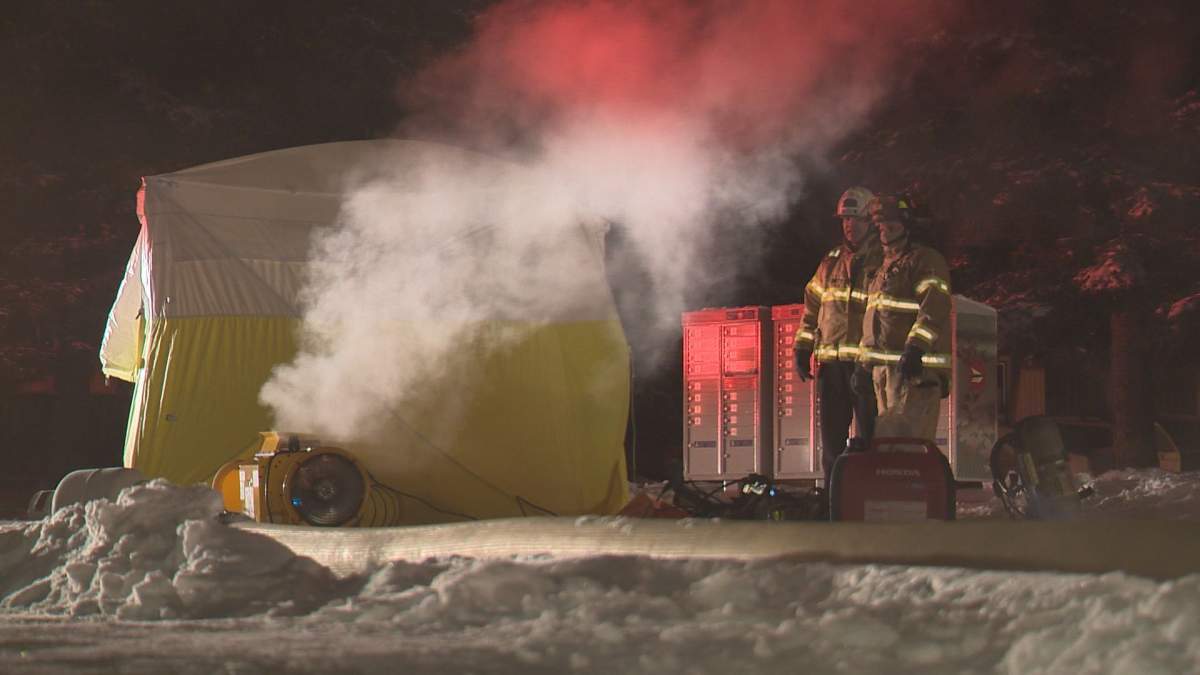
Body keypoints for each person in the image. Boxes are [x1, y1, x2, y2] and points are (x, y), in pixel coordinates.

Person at [793, 186, 881, 486]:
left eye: (854, 219)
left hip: (868, 367)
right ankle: (833, 498)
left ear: (870, 221)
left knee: (872, 439)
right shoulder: (830, 262)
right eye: (844, 219)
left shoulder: (883, 260)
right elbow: (812, 307)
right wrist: (802, 347)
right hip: (831, 367)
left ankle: (869, 495)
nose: (848, 225)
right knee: (831, 444)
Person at [859, 193, 953, 443]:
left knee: (910, 447)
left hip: (915, 372)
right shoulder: (881, 268)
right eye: (881, 226)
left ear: (907, 226)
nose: (885, 232)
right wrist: (864, 362)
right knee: (888, 448)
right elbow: (873, 321)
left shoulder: (926, 261)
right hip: (884, 374)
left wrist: (916, 348)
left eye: (892, 226)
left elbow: (934, 308)